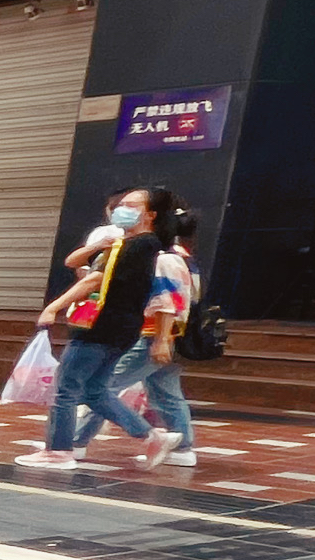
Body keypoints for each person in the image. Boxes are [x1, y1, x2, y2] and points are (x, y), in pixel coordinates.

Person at [20, 187, 176, 470]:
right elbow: (74, 262)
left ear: (150, 215)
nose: (122, 208)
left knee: (66, 388)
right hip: (122, 327)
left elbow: (93, 281)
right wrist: (101, 245)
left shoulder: (139, 246)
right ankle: (150, 436)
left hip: (100, 325)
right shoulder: (127, 244)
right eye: (121, 204)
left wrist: (54, 307)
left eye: (131, 205)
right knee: (94, 390)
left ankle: (58, 451)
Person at [74, 208, 201, 464]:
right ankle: (182, 448)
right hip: (170, 334)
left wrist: (160, 339)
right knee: (167, 392)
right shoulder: (185, 258)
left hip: (151, 334)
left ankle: (75, 441)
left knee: (100, 388)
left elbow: (164, 301)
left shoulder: (162, 259)